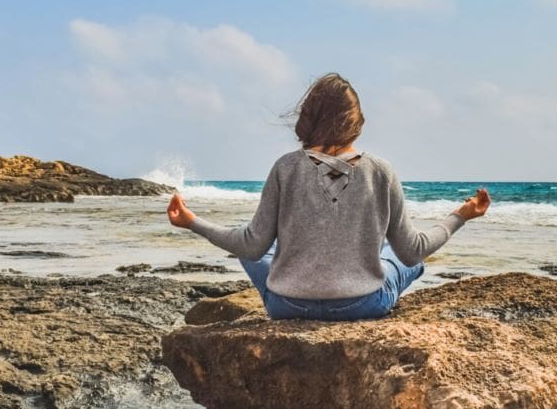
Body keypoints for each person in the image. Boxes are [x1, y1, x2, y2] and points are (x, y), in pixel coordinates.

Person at [166, 73, 490, 321]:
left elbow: (251, 246)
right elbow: (413, 250)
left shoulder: (285, 168)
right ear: (356, 121)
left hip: (287, 306)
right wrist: (461, 215)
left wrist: (192, 222)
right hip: (362, 305)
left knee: (252, 242)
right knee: (400, 256)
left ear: (307, 117)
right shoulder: (381, 171)